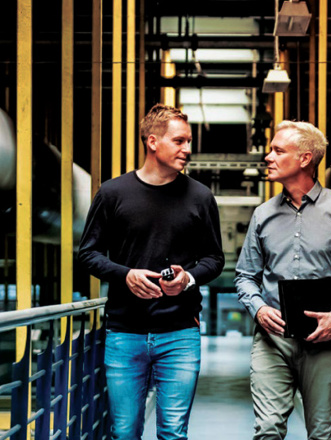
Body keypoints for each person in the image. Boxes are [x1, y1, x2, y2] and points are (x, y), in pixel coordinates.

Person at [78, 104, 224, 440]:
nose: (187, 149)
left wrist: (187, 278)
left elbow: (214, 259)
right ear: (152, 141)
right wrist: (124, 274)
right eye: (179, 141)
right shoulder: (113, 193)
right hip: (124, 333)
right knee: (124, 431)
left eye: (189, 141)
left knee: (173, 432)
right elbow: (88, 254)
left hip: (180, 334)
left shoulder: (200, 197)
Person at [234, 120, 331, 440]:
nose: (268, 157)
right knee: (268, 429)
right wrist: (258, 308)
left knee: (323, 433)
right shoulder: (263, 215)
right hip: (273, 341)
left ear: (304, 159)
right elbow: (245, 276)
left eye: (278, 150)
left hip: (325, 342)